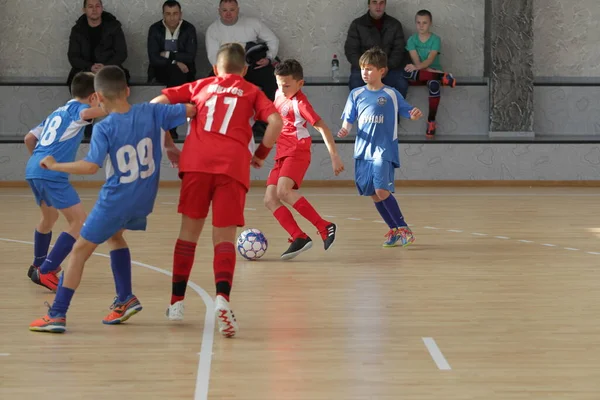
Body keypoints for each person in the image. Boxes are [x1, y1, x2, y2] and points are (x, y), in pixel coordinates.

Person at [29, 66, 196, 333]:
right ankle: (125, 298)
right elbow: (191, 109)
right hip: (145, 196)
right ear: (127, 90)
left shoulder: (104, 127)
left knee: (79, 252)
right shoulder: (152, 111)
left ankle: (57, 314)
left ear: (99, 97)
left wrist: (56, 165)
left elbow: (90, 167)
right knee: (115, 236)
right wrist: (170, 147)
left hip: (117, 197)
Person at [151, 43, 283, 338]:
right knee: (223, 237)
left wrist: (169, 144)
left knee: (188, 234)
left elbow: (156, 103)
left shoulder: (201, 85)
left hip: (196, 163)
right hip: (232, 167)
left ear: (215, 68)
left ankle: (176, 303)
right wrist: (260, 154)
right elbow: (276, 121)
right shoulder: (251, 91)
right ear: (245, 70)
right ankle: (222, 298)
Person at [24, 72, 106, 292]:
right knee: (80, 222)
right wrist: (114, 105)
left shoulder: (57, 112)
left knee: (48, 217)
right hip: (51, 173)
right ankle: (47, 270)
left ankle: (38, 264)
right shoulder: (79, 110)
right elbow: (90, 112)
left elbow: (29, 138)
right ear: (93, 96)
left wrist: (38, 161)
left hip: (34, 168)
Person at [337, 47, 422, 247]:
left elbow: (407, 111)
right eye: (362, 69)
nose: (365, 73)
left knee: (382, 189)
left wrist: (414, 114)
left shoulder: (391, 94)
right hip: (363, 151)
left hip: (383, 150)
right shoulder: (356, 94)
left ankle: (404, 229)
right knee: (374, 194)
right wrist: (344, 130)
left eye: (370, 69)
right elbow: (349, 120)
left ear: (382, 71)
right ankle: (394, 231)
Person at [263, 59, 344, 260]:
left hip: (297, 152)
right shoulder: (278, 94)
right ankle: (298, 236)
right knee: (270, 199)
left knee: (283, 191)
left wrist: (334, 157)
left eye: (287, 85)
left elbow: (323, 127)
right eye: (279, 84)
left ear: (300, 84)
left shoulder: (301, 104)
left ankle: (324, 226)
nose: (282, 88)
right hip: (281, 153)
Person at [205, 0, 279, 138]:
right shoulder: (213, 29)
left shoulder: (252, 23)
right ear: (219, 11)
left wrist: (269, 58)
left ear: (238, 10)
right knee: (209, 86)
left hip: (250, 67)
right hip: (225, 70)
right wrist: (226, 74)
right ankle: (215, 126)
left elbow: (273, 40)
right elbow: (213, 57)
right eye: (225, 10)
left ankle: (262, 124)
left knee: (272, 80)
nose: (228, 14)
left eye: (232, 10)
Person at [67, 0, 129, 138]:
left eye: (97, 6)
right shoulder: (77, 29)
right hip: (85, 70)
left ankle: (117, 125)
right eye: (90, 6)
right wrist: (90, 67)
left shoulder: (113, 26)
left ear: (102, 8)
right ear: (84, 10)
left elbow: (122, 53)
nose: (94, 10)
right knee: (81, 83)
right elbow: (73, 57)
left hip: (109, 69)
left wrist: (105, 66)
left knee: (117, 82)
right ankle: (86, 127)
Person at [404, 9, 456, 137]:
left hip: (429, 73)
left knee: (434, 85)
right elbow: (416, 63)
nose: (421, 26)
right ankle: (442, 77)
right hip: (424, 73)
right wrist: (433, 72)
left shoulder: (435, 39)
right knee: (406, 72)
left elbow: (430, 59)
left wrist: (424, 69)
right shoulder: (411, 40)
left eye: (424, 23)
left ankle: (431, 121)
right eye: (418, 22)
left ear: (430, 23)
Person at [344, 0, 409, 97]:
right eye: (375, 2)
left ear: (385, 4)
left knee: (401, 84)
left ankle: (393, 112)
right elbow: (351, 51)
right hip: (363, 69)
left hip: (389, 69)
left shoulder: (394, 24)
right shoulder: (357, 24)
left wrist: (386, 66)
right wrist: (368, 68)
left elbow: (399, 50)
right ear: (369, 5)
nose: (378, 6)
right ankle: (362, 112)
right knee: (356, 85)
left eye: (381, 2)